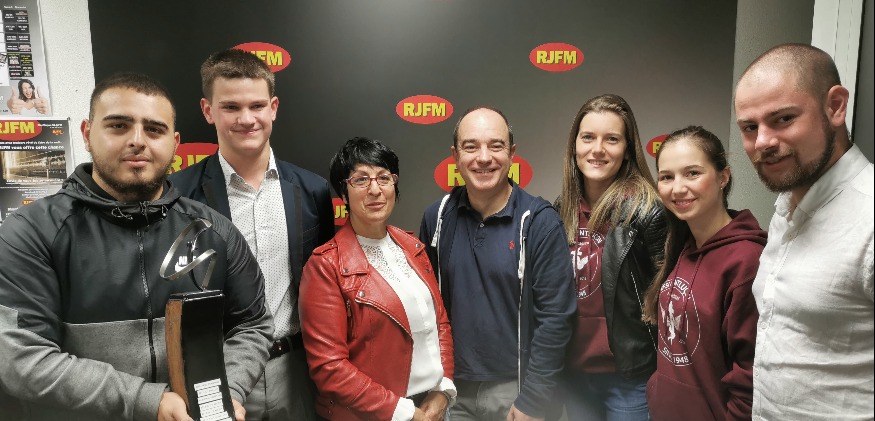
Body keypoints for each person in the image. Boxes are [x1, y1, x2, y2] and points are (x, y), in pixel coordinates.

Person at [0, 73, 273, 421]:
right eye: (118, 126)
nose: (138, 141)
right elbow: (22, 358)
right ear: (87, 133)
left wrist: (222, 393)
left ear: (174, 142)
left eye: (154, 130)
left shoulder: (214, 230)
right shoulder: (33, 232)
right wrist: (148, 401)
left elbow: (252, 325)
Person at [170, 49, 334, 421]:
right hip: (217, 370)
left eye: (257, 105)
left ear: (273, 108)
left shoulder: (313, 191)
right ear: (208, 111)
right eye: (231, 107)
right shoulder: (179, 196)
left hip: (298, 370)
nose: (246, 119)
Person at [734, 43, 874, 419]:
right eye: (750, 127)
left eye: (783, 119)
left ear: (835, 107)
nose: (762, 142)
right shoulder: (786, 208)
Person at [420, 106, 575, 421]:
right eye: (471, 146)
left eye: (496, 145)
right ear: (455, 155)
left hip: (517, 390)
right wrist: (434, 387)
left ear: (512, 153)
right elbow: (425, 308)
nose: (483, 157)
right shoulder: (437, 217)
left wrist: (534, 398)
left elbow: (556, 318)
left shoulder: (539, 221)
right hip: (452, 390)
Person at [299, 137, 455, 421]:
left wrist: (443, 389)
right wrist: (403, 412)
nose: (375, 190)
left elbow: (440, 324)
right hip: (376, 414)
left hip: (430, 407)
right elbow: (329, 368)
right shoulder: (325, 266)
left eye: (384, 178)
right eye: (360, 180)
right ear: (344, 193)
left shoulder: (413, 248)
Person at [553, 94, 666, 420]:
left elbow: (668, 301)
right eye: (588, 137)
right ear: (575, 146)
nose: (598, 149)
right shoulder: (560, 211)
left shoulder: (647, 211)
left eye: (612, 139)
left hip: (628, 377)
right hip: (574, 376)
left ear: (627, 149)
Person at [642, 125, 766, 420]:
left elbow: (750, 378)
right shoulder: (682, 244)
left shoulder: (747, 261)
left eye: (692, 173)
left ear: (723, 177)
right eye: (667, 177)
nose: (677, 188)